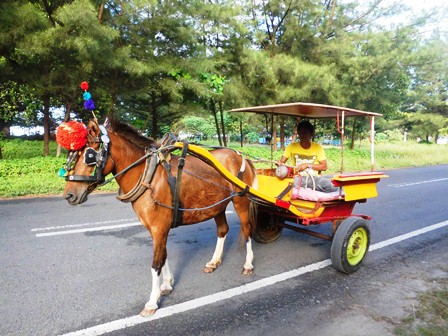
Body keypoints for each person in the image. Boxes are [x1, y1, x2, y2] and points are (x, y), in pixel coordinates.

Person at [277, 120, 337, 193]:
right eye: (300, 132)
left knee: (335, 179)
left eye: (305, 132)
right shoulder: (291, 147)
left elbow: (324, 167)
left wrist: (307, 165)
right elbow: (282, 162)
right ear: (298, 133)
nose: (303, 135)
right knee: (329, 185)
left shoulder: (317, 147)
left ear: (311, 134)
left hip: (313, 178)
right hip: (298, 178)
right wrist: (279, 163)